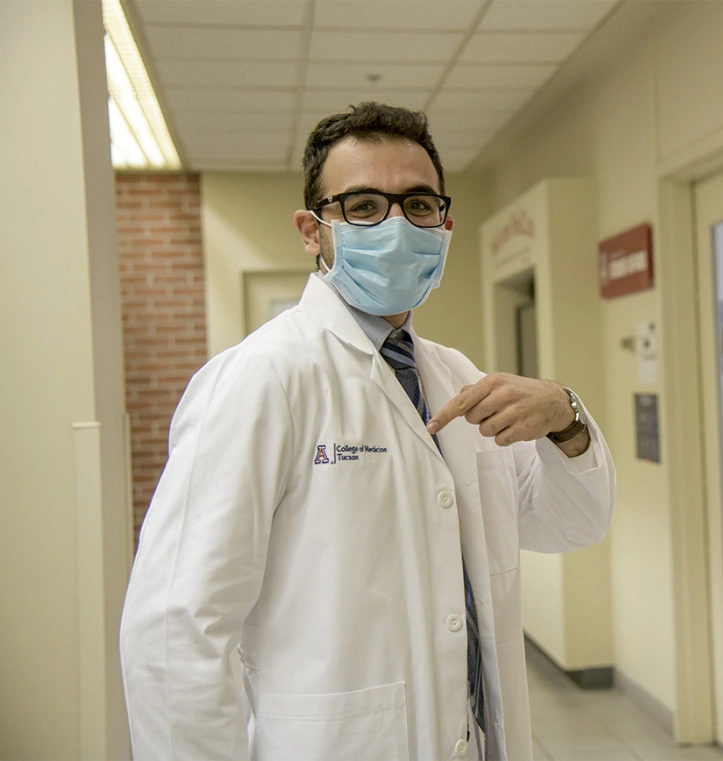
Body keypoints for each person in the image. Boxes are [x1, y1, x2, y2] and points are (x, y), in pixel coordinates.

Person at [119, 102, 616, 761]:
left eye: (417, 205)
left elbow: (572, 523)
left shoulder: (455, 376)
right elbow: (173, 631)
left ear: (445, 223)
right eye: (362, 206)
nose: (394, 225)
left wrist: (567, 417)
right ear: (312, 229)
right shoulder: (260, 379)